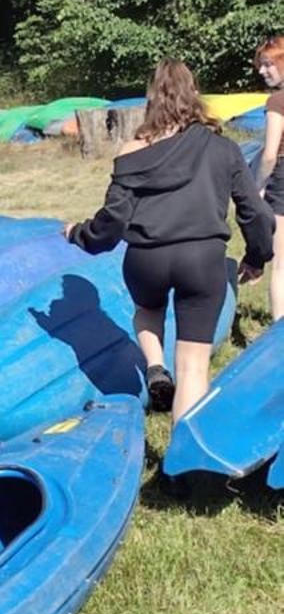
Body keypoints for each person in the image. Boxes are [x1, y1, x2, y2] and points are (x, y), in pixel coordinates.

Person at [64, 59, 272, 420]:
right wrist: (257, 256)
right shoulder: (223, 149)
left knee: (148, 309)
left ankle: (155, 366)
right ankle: (185, 465)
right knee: (193, 367)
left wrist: (77, 234)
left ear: (151, 100)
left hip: (146, 259)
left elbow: (111, 223)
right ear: (194, 96)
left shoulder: (132, 150)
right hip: (202, 259)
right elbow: (255, 213)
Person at [253, 34, 284, 323]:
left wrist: (257, 186)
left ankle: (279, 335)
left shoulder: (277, 101)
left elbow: (269, 154)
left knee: (281, 266)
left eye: (267, 65)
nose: (262, 71)